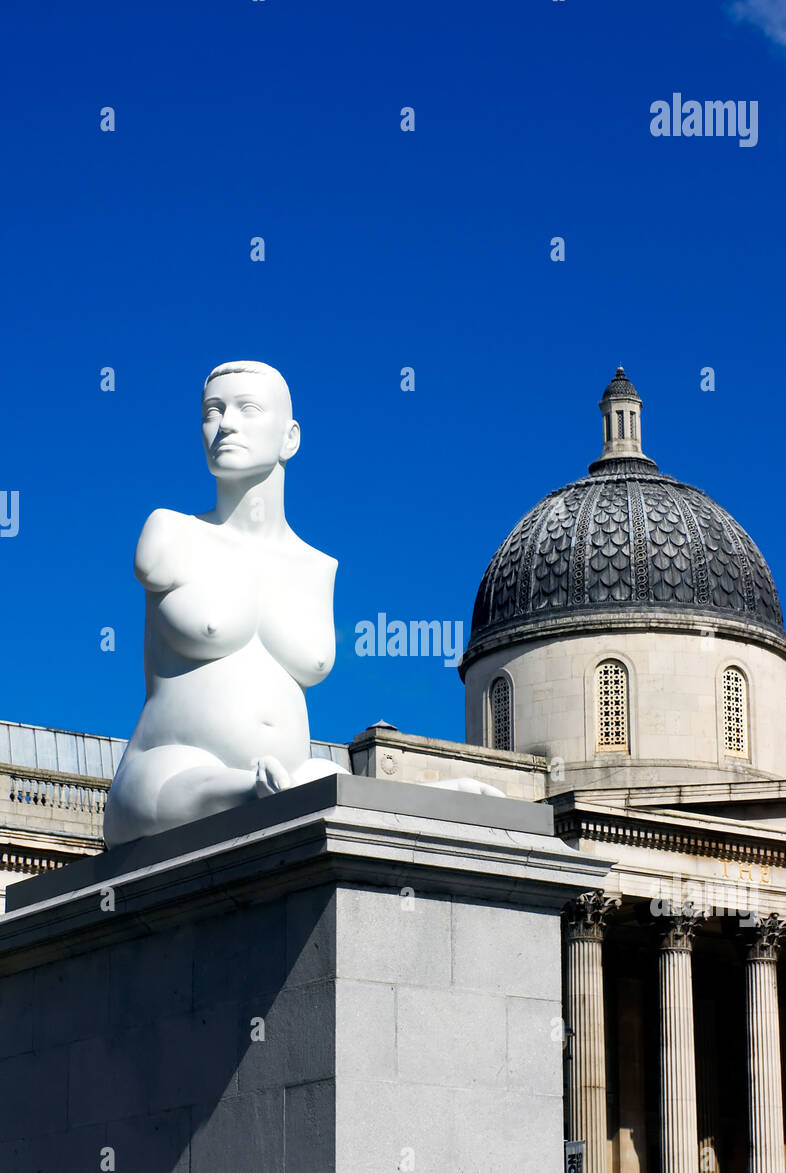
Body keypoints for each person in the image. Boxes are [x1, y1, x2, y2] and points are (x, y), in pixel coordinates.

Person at [104, 360, 501, 849]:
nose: (225, 424)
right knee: (255, 789)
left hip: (290, 777)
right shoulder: (171, 532)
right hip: (167, 774)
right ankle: (257, 793)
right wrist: (254, 784)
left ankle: (417, 801)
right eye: (212, 411)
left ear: (290, 438)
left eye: (246, 409)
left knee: (317, 782)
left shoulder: (317, 567)